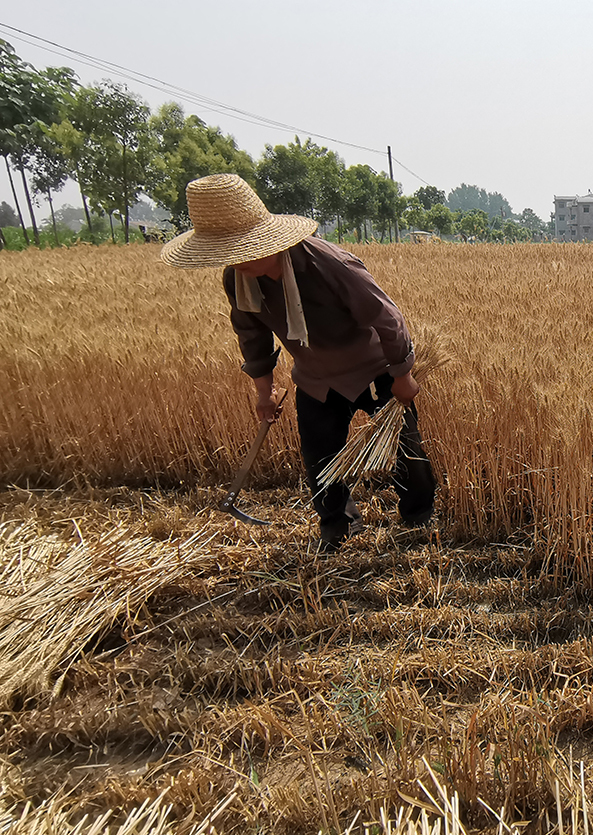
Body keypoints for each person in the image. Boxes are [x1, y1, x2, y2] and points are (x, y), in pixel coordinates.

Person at [160, 173, 436, 552]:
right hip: (315, 379)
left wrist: (402, 375)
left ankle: (418, 517)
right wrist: (264, 391)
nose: (235, 261)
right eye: (227, 253)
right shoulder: (238, 279)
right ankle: (338, 526)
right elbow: (251, 335)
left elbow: (386, 318)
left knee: (406, 448)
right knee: (320, 460)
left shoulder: (328, 264)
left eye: (239, 249)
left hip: (374, 370)